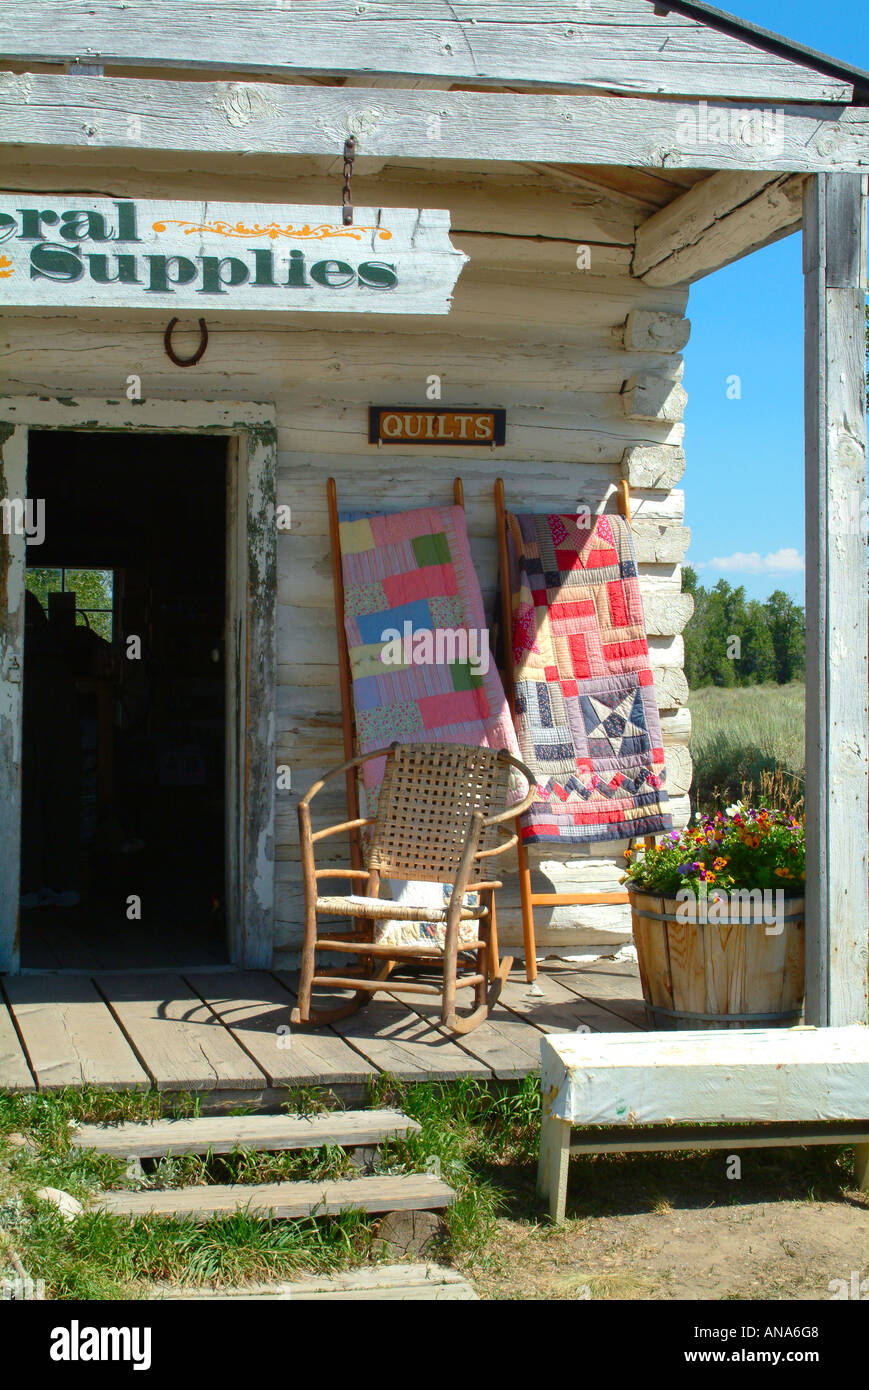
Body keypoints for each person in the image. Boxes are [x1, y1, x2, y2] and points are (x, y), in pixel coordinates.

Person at [20, 590, 82, 909]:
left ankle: (30, 885)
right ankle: (60, 883)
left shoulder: (29, 651)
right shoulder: (54, 648)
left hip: (34, 724)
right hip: (56, 722)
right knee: (58, 797)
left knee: (27, 800)